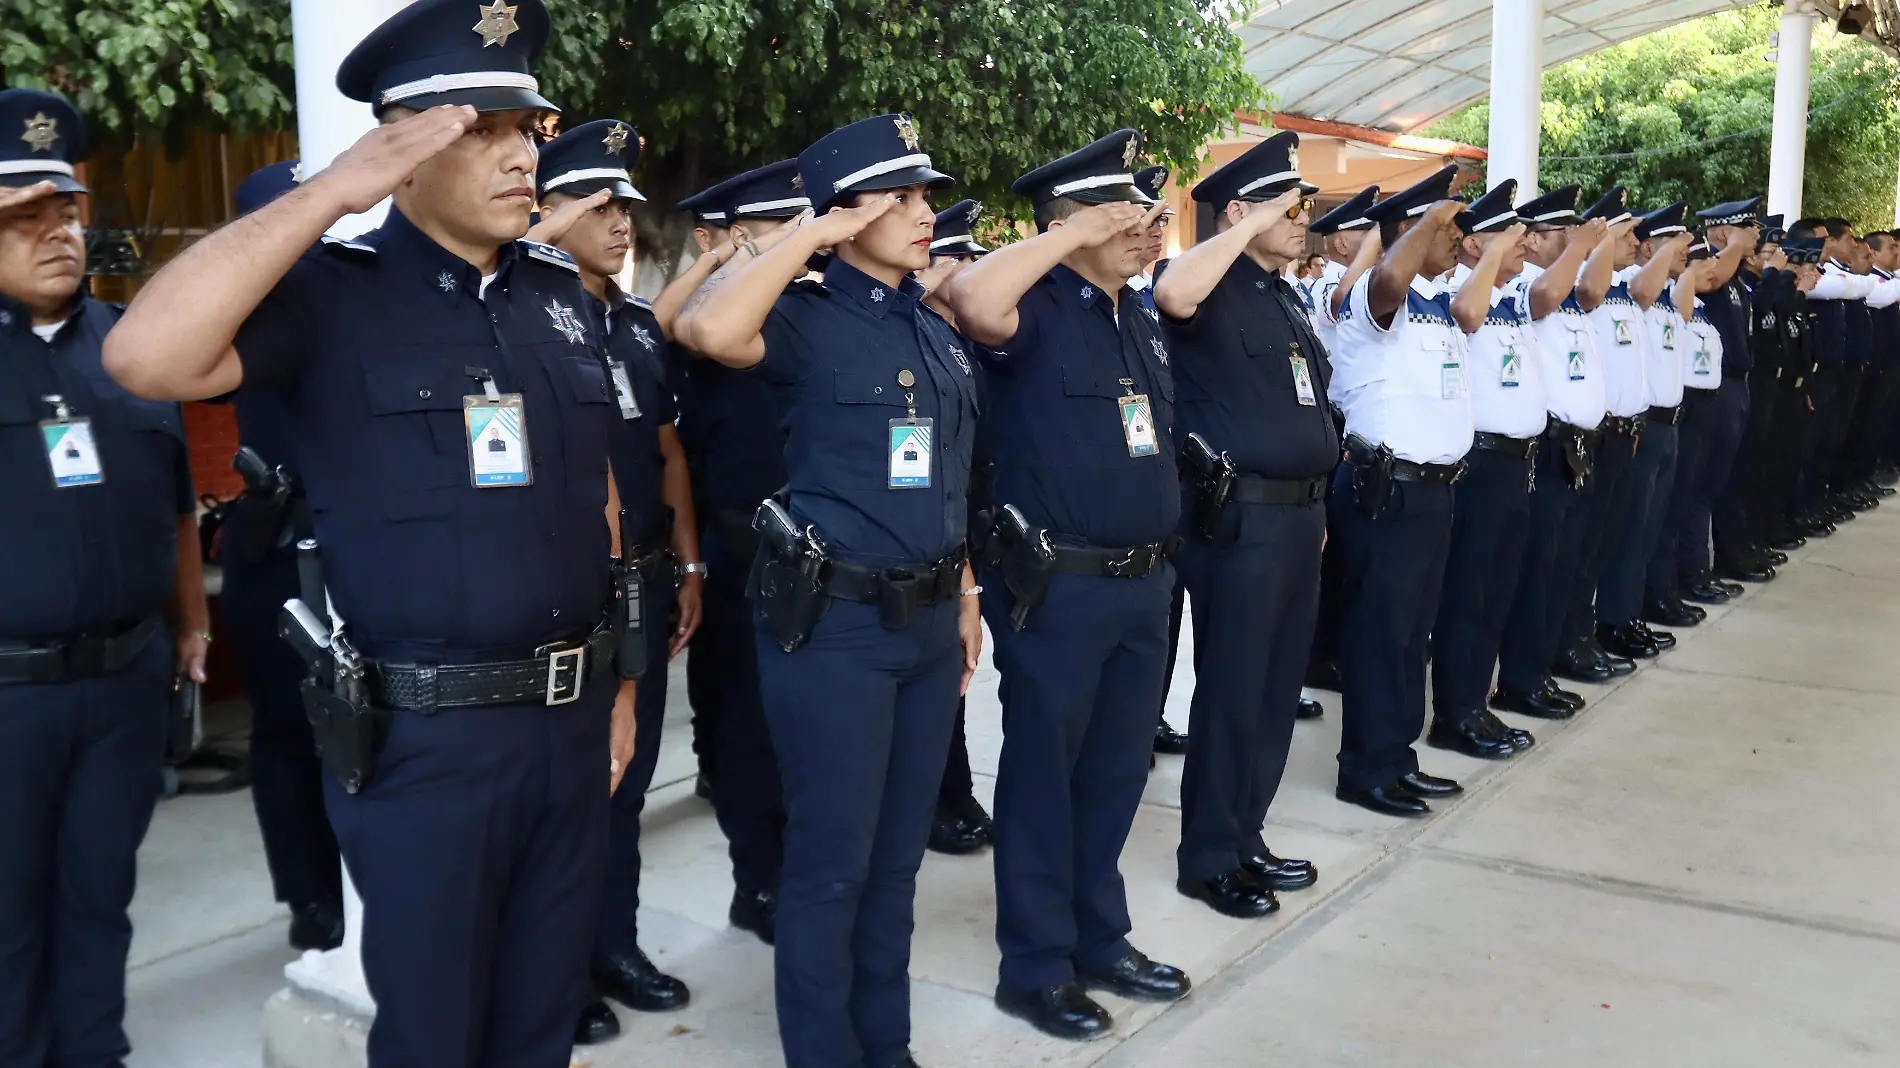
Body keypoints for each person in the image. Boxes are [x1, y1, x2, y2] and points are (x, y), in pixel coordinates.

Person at [100, 1, 641, 1061]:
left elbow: (603, 505)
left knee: (541, 1026)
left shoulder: (558, 300)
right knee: (436, 1034)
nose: (519, 153)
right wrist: (334, 191)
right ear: (402, 148)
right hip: (428, 745)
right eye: (475, 129)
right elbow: (143, 360)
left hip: (570, 726)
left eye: (524, 127)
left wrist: (617, 685)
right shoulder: (329, 298)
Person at [678, 112, 981, 1068]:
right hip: (838, 629)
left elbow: (951, 474)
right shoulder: (800, 316)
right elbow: (706, 327)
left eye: (926, 194)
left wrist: (967, 592)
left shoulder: (930, 327)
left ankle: (882, 1048)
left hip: (930, 623)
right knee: (830, 866)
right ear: (851, 210)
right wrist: (811, 233)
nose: (924, 212)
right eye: (904, 196)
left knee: (895, 868)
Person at [946, 130, 1191, 1041]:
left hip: (1142, 584)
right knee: (1047, 775)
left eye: (1144, 211)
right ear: (1069, 220)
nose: (1144, 226)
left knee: (1118, 772)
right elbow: (969, 295)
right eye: (1122, 212)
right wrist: (1069, 233)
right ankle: (1036, 964)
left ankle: (1099, 934)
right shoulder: (1034, 305)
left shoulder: (1136, 313)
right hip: (1059, 589)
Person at [0, 87, 210, 1068]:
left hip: (126, 679)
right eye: (22, 219)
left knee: (100, 895)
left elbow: (173, 503)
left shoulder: (132, 351)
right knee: (9, 914)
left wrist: (190, 624)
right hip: (9, 695)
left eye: (66, 213)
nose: (56, 236)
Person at [531, 118, 709, 1044]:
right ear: (544, 211)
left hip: (642, 573)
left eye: (625, 207)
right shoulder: (525, 315)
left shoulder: (637, 326)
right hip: (565, 588)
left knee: (628, 781)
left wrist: (685, 563)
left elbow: (669, 453)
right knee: (571, 794)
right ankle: (557, 977)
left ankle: (615, 947)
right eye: (598, 205)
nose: (621, 223)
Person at [1150, 131, 1330, 919]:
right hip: (1241, 519)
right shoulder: (1205, 282)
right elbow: (1171, 295)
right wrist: (1239, 233)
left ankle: (1247, 832)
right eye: (1288, 207)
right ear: (1238, 213)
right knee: (1231, 689)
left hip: (1299, 518)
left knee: (1274, 688)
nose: (1302, 220)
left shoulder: (1283, 294)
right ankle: (1210, 855)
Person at [663, 160, 811, 942]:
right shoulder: (712, 318)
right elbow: (662, 332)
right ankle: (759, 884)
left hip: (815, 554)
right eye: (774, 229)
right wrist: (723, 258)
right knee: (749, 730)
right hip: (742, 552)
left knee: (802, 731)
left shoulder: (805, 311)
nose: (794, 242)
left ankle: (801, 872)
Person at [220, 161, 346, 954]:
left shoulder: (354, 306)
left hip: (351, 547)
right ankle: (308, 893)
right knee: (287, 734)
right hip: (274, 547)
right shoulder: (241, 321)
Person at [1324, 165, 1475, 819]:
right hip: (1386, 489)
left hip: (1432, 492)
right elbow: (1389, 276)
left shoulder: (1437, 308)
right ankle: (1366, 768)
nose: (1457, 240)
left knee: (1413, 635)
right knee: (1380, 633)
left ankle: (1397, 757)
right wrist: (1425, 222)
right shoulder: (1371, 298)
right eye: (1448, 230)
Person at [1428, 180, 1560, 756]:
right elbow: (1467, 313)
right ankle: (1455, 713)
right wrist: (1489, 257)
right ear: (1475, 246)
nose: (1526, 245)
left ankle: (1477, 703)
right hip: (1480, 465)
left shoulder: (1513, 297)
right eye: (1512, 236)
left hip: (1517, 465)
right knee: (1470, 594)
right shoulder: (1461, 291)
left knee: (1498, 591)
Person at [1502, 185, 1627, 694]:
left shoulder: (1572, 284)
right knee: (1541, 568)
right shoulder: (1522, 285)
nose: (1571, 238)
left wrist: (1596, 246)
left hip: (1582, 445)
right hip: (1551, 447)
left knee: (1571, 561)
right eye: (1561, 231)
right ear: (1530, 240)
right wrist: (1582, 246)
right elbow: (1543, 299)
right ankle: (1522, 676)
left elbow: (1593, 291)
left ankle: (1551, 661)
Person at [918, 198, 997, 857]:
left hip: (980, 522)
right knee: (942, 668)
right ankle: (939, 797)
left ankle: (957, 787)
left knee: (963, 669)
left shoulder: (969, 339)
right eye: (956, 256)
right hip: (934, 529)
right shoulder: (912, 335)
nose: (969, 266)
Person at [1588, 192, 1690, 661]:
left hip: (1647, 425)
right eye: (1629, 235)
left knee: (1642, 528)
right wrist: (1667, 246)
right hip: (1617, 431)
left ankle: (1625, 614)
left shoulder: (1629, 286)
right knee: (1621, 533)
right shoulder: (1616, 285)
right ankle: (1610, 619)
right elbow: (1645, 288)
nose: (1634, 242)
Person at [1301, 185, 1381, 701]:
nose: (1371, 238)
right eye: (1361, 229)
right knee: (1323, 557)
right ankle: (1315, 655)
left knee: (1344, 555)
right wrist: (1385, 234)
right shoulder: (1325, 283)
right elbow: (1342, 301)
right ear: (1335, 244)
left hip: (1347, 431)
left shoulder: (1371, 282)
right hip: (1325, 425)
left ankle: (1330, 650)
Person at [1694, 199, 1777, 585]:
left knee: (1730, 477)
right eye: (1750, 226)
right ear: (1725, 233)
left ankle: (1730, 553)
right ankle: (1697, 567)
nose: (1758, 234)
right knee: (1706, 484)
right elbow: (1710, 279)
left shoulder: (1738, 275)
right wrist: (1731, 249)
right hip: (1718, 387)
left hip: (1738, 383)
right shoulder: (1708, 266)